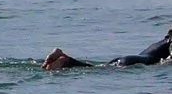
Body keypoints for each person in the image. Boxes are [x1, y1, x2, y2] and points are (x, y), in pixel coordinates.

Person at [42, 23, 172, 70]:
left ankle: (65, 59)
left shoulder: (166, 40)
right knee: (98, 71)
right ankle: (65, 61)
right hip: (133, 62)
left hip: (130, 58)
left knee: (98, 69)